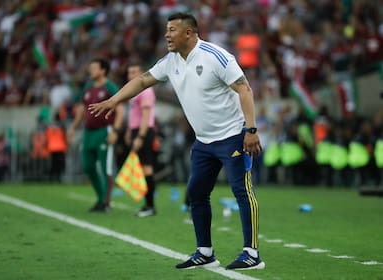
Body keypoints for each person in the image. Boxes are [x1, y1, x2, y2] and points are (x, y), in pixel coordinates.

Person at [89, 13, 265, 270]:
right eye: (166, 30)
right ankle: (205, 252)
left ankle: (252, 254)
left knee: (242, 191)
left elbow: (244, 89)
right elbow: (142, 81)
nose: (166, 35)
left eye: (171, 30)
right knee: (196, 193)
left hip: (233, 136)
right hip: (204, 142)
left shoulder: (215, 56)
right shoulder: (171, 61)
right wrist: (115, 100)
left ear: (188, 33)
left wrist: (251, 129)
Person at [68, 58, 124, 212]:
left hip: (104, 131)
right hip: (88, 132)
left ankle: (105, 203)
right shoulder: (87, 87)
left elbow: (120, 109)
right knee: (88, 166)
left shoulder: (109, 87)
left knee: (106, 168)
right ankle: (101, 197)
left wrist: (116, 131)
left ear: (103, 70)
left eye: (93, 68)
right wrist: (73, 128)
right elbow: (81, 110)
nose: (90, 71)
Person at [125, 62, 158, 217]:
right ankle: (148, 204)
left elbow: (146, 116)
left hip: (144, 131)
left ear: (141, 74)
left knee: (147, 168)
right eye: (129, 72)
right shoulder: (134, 91)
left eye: (134, 72)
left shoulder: (145, 91)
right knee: (143, 168)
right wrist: (129, 132)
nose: (131, 75)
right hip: (136, 130)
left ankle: (150, 206)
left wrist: (140, 136)